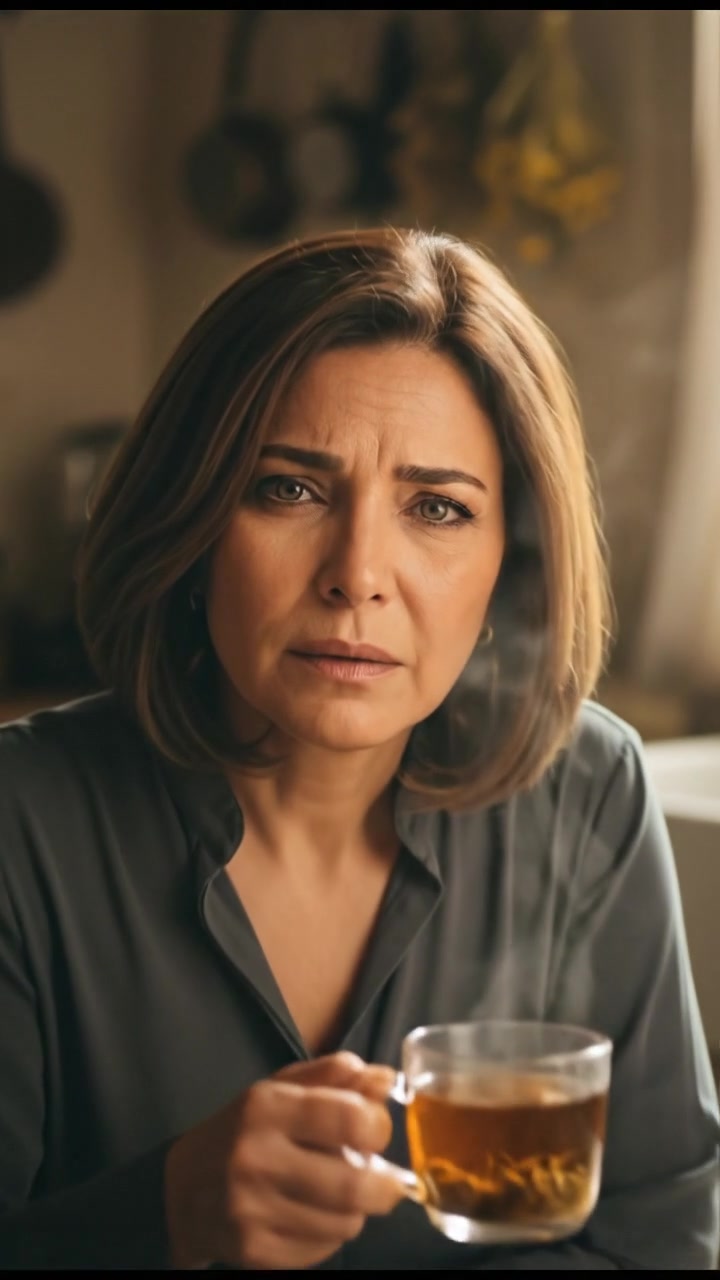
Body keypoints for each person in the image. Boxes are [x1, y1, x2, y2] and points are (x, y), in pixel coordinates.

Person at [0, 227, 717, 1271]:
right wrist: (166, 1209)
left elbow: (661, 1238)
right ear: (192, 523)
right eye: (289, 488)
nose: (359, 574)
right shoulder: (21, 823)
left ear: (508, 565)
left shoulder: (588, 792)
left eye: (437, 507)